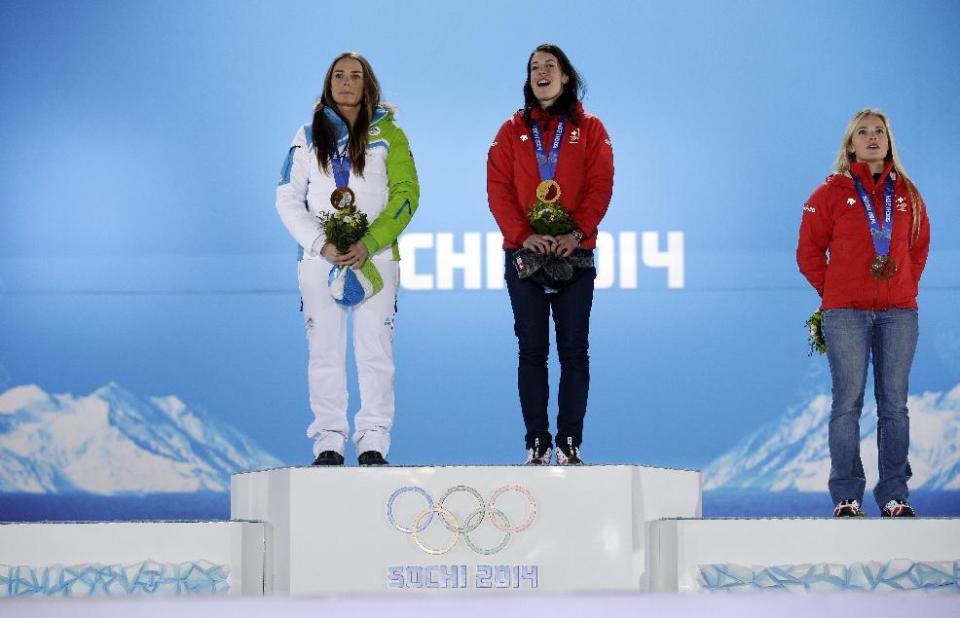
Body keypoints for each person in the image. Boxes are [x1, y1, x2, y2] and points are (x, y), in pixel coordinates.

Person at [276, 52, 419, 466]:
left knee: (375, 351)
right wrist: (321, 243)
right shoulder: (306, 135)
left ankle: (373, 439)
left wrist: (370, 242)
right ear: (328, 83)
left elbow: (407, 195)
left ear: (368, 84)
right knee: (324, 351)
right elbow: (287, 196)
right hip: (320, 257)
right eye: (338, 75)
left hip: (374, 258)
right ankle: (328, 442)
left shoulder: (390, 133)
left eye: (355, 76)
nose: (346, 82)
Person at [797, 108, 930, 517]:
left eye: (879, 132)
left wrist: (902, 285)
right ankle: (847, 495)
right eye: (863, 132)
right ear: (849, 144)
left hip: (898, 313)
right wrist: (835, 290)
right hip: (845, 314)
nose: (872, 138)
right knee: (847, 404)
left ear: (888, 142)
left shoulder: (908, 194)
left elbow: (918, 249)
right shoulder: (829, 194)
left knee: (894, 405)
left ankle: (894, 495)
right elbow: (808, 252)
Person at [487, 43, 614, 465]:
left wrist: (577, 233)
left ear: (565, 76)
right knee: (532, 349)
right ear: (529, 79)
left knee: (575, 349)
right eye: (534, 67)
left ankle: (569, 442)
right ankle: (537, 442)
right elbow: (498, 188)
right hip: (525, 254)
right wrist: (523, 235)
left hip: (574, 253)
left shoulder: (590, 128)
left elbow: (601, 184)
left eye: (550, 66)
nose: (541, 72)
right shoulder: (510, 131)